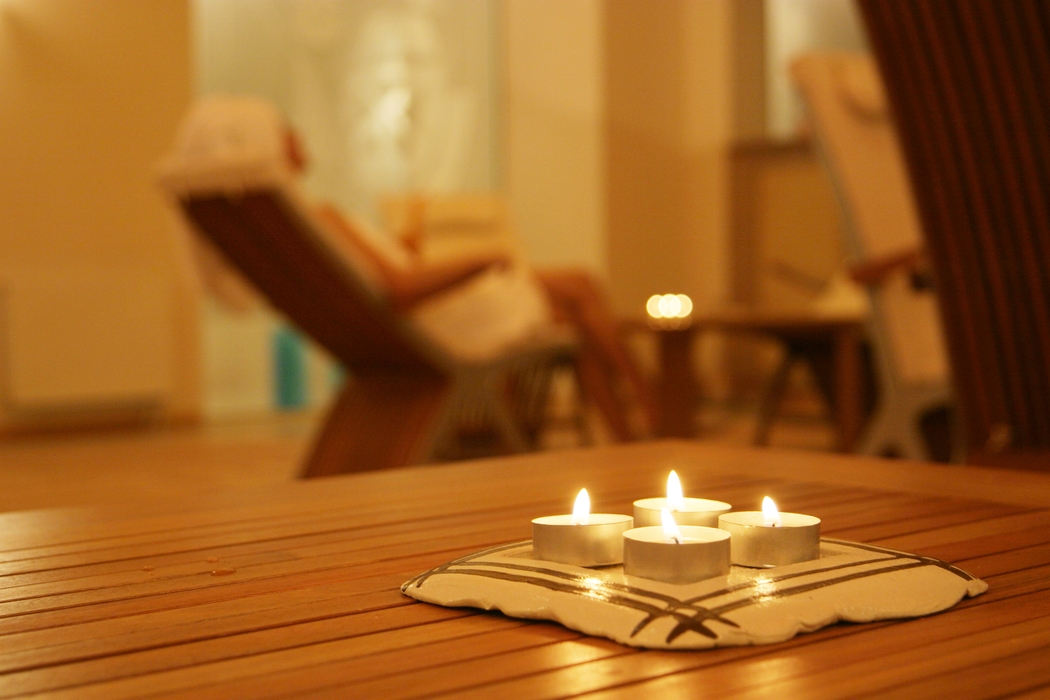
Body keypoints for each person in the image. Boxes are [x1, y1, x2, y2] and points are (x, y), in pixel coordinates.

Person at [170, 96, 655, 441]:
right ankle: (643, 410)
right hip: (441, 324)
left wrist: (409, 245)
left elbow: (381, 281)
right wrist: (484, 258)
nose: (298, 137)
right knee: (581, 288)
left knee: (575, 307)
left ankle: (633, 422)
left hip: (403, 331)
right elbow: (399, 288)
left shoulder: (301, 225)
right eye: (287, 130)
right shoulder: (325, 216)